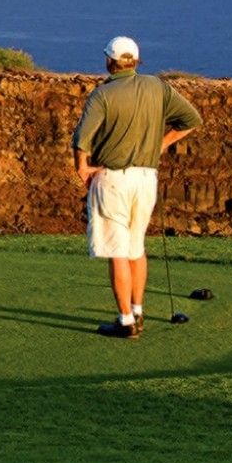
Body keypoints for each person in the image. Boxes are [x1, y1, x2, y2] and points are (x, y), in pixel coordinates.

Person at [72, 36, 202, 339]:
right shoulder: (157, 86)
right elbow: (191, 120)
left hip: (113, 179)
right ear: (135, 61)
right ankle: (138, 311)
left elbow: (83, 138)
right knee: (135, 248)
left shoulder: (102, 94)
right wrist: (161, 144)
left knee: (118, 252)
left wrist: (82, 168)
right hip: (146, 180)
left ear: (109, 61)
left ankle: (126, 322)